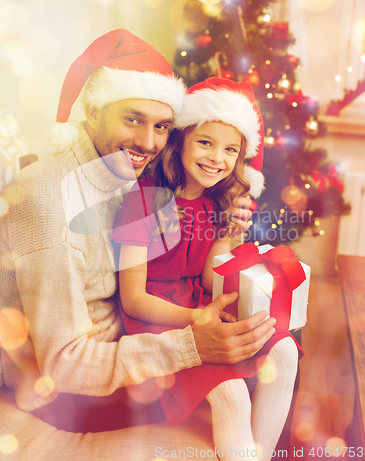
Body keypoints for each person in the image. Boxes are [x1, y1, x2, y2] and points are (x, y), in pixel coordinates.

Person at [0, 29, 276, 458]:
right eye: (132, 119)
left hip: (126, 342)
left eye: (162, 126)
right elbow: (63, 365)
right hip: (68, 394)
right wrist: (189, 345)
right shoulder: (50, 201)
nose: (148, 143)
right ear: (92, 112)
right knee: (232, 390)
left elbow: (181, 241)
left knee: (270, 351)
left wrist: (227, 222)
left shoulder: (127, 176)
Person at [112, 78, 302, 460]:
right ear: (181, 140)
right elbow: (132, 299)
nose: (218, 158)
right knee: (232, 395)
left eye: (230, 149)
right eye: (205, 142)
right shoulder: (143, 200)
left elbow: (206, 280)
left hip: (199, 301)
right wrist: (197, 318)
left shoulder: (217, 201)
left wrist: (228, 235)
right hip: (157, 315)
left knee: (285, 354)